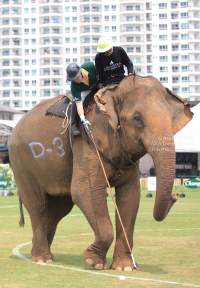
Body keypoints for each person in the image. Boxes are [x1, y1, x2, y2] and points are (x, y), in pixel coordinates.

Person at [66, 62, 98, 136]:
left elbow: (100, 63)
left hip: (100, 84)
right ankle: (74, 126)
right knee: (75, 102)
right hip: (88, 89)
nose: (76, 80)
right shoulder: (74, 86)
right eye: (73, 79)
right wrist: (83, 119)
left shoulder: (89, 66)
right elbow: (79, 104)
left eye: (77, 77)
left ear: (81, 72)